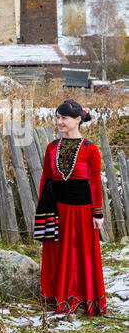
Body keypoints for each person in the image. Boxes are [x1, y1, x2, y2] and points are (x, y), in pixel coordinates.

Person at [34, 99, 107, 315]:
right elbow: (46, 179)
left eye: (64, 118)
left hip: (81, 210)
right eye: (57, 117)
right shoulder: (52, 147)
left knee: (80, 252)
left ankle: (81, 297)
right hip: (57, 209)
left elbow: (94, 183)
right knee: (57, 251)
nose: (60, 122)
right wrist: (42, 208)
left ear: (77, 120)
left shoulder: (90, 149)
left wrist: (98, 212)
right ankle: (57, 295)